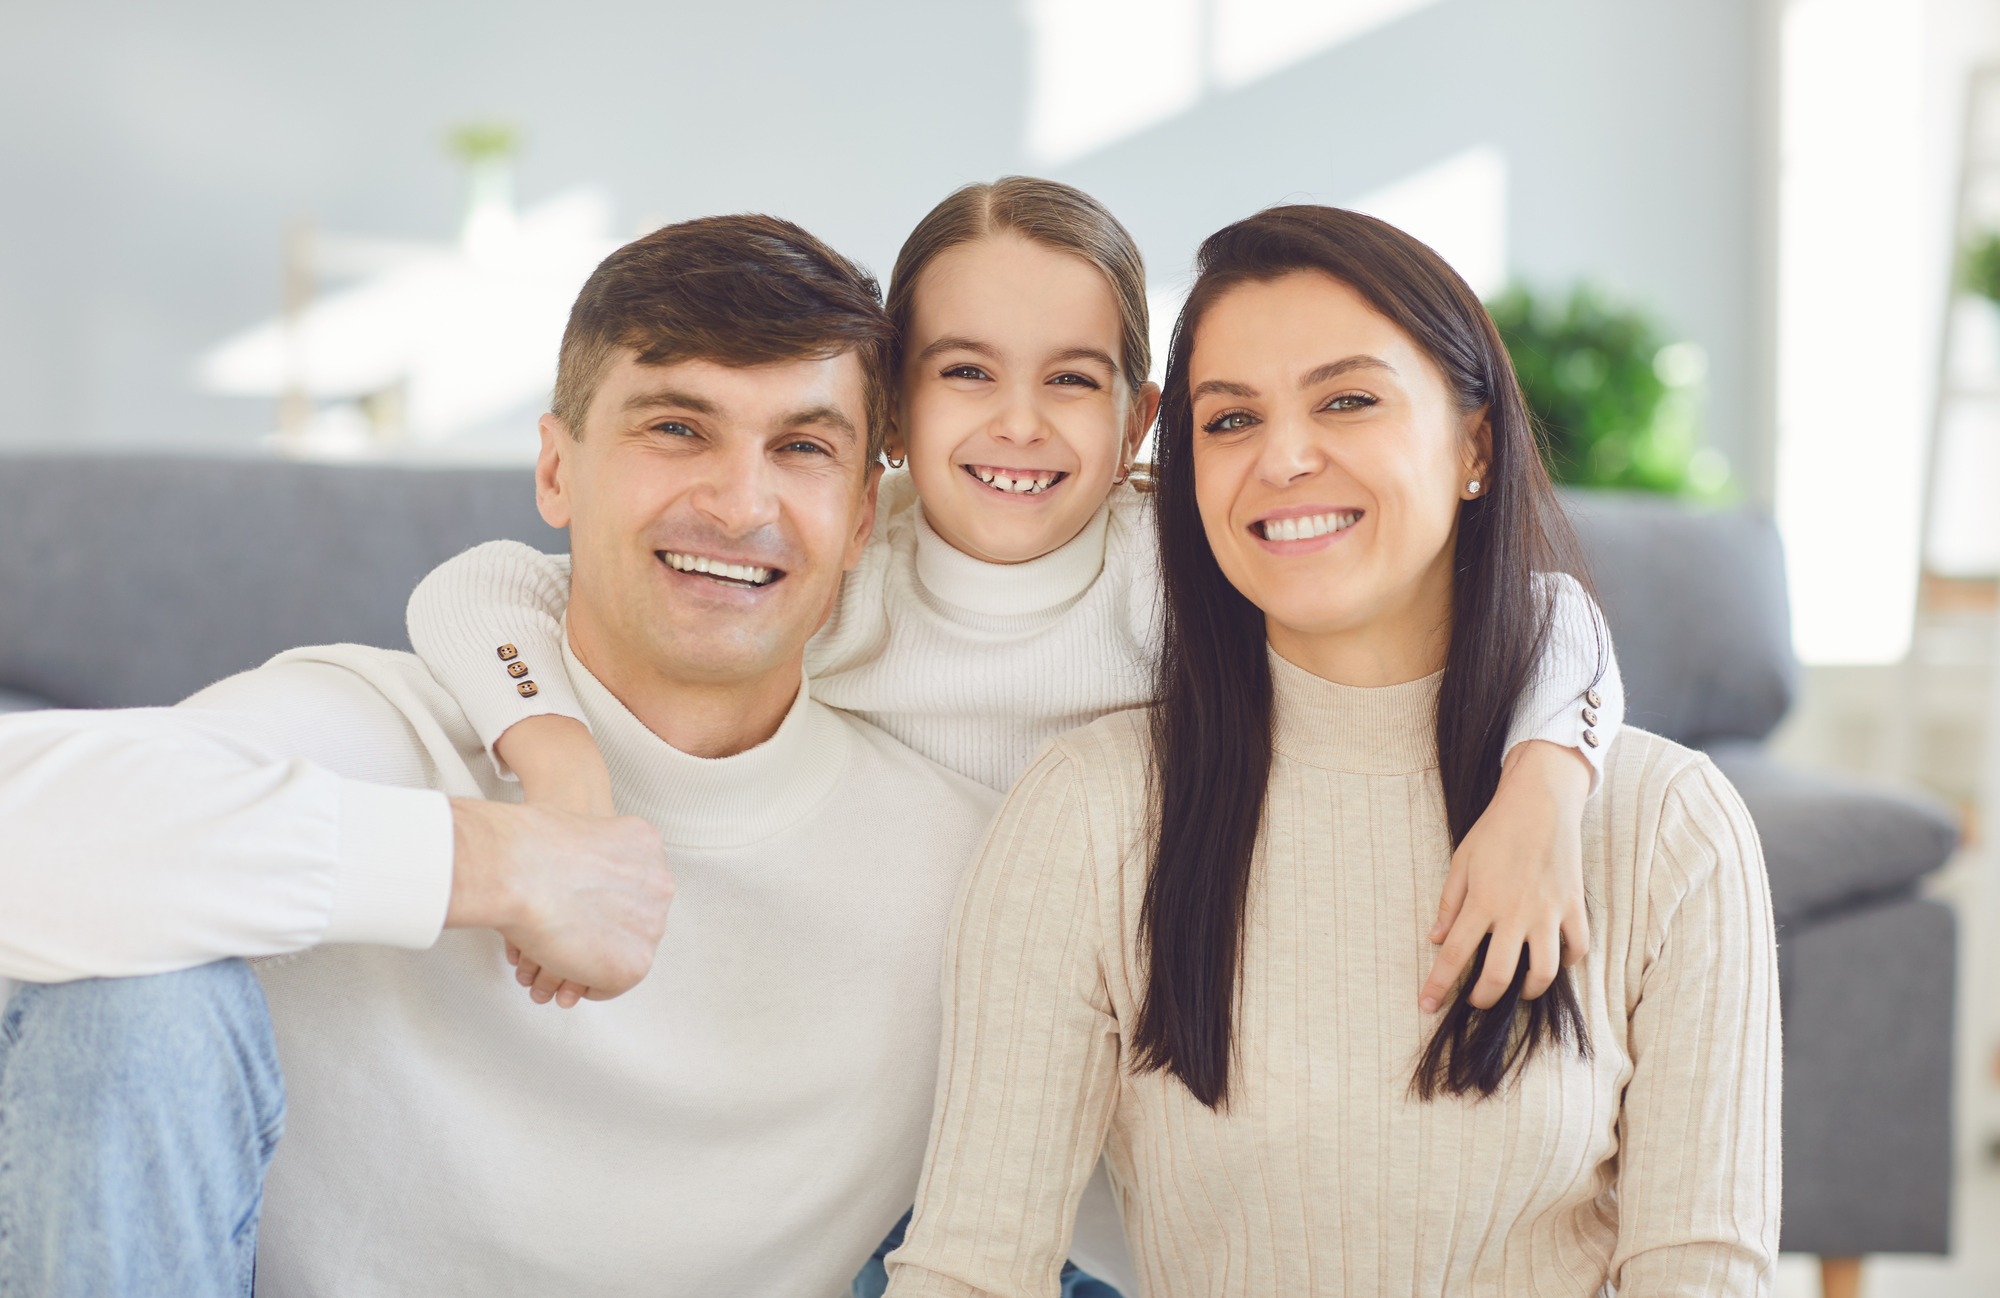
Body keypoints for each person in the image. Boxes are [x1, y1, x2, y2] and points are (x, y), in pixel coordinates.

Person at [403, 178, 1630, 1295]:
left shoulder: (1182, 579)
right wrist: (557, 768)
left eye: (1071, 379)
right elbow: (486, 586)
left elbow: (1540, 608)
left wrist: (1543, 788)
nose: (1019, 425)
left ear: (1141, 414)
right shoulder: (838, 577)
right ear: (890, 407)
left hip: (1128, 1194)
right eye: (966, 373)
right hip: (874, 1157)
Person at [0, 215, 1000, 1297]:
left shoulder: (961, 868)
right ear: (555, 471)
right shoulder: (381, 731)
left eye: (801, 448)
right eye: (675, 427)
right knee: (128, 998)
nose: (738, 502)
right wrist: (494, 861)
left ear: (862, 516)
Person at [881, 206, 1781, 1296]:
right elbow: (971, 1268)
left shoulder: (1663, 825)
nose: (1284, 457)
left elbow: (1701, 1274)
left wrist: (1542, 783)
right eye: (1229, 421)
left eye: (1346, 400)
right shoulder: (1091, 809)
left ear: (1473, 446)